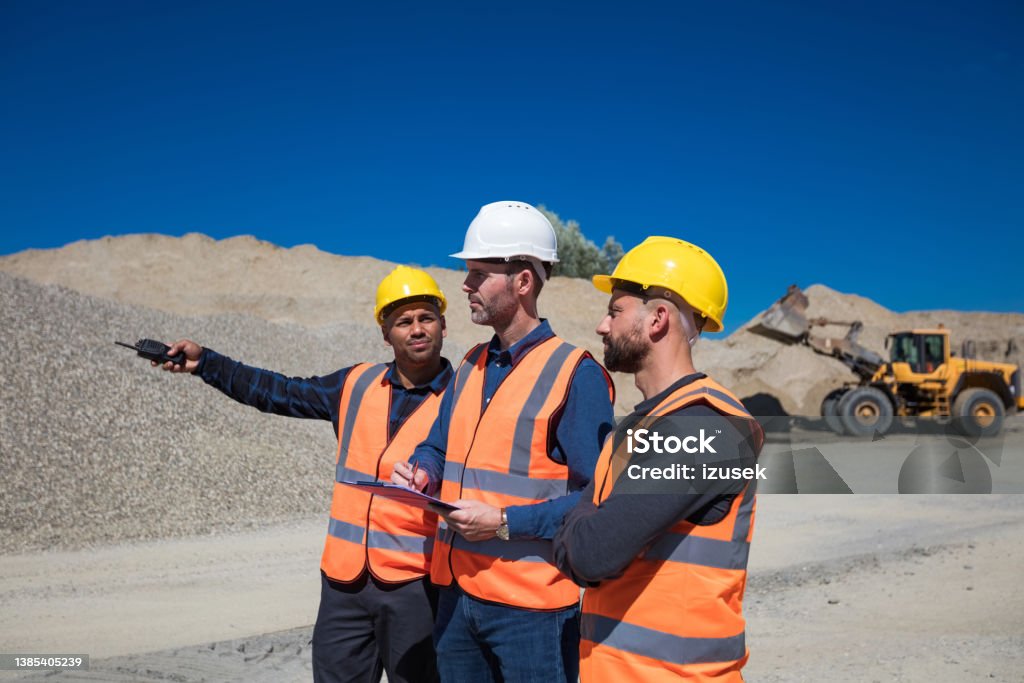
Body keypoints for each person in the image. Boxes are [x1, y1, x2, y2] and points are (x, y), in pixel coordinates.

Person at [153, 266, 451, 683]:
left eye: (426, 317)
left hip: (416, 588)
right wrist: (208, 363)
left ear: (443, 324)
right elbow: (280, 392)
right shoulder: (354, 383)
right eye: (404, 321)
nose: (417, 329)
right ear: (386, 333)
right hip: (344, 585)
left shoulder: (464, 399)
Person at [391, 200, 615, 683]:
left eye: (478, 273)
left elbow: (594, 498)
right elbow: (437, 446)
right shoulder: (470, 362)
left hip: (531, 610)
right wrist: (423, 469)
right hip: (456, 595)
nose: (465, 286)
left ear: (523, 282)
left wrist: (505, 523)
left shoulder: (576, 374)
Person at [552, 236, 765, 682]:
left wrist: (578, 521)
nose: (602, 326)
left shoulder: (707, 429)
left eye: (615, 311)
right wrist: (582, 520)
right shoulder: (642, 424)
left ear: (658, 319)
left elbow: (591, 553)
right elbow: (587, 530)